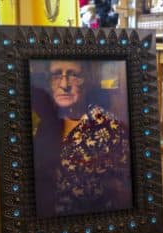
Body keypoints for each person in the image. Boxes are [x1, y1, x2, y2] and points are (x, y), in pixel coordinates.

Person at [31, 60, 132, 218]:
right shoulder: (45, 121)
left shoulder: (108, 128)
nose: (64, 84)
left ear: (89, 81)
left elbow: (122, 192)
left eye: (74, 75)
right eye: (56, 75)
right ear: (48, 81)